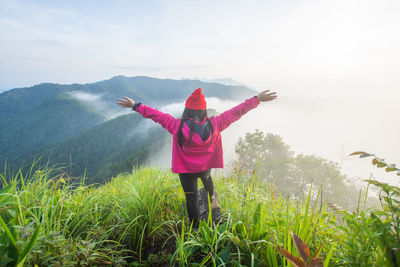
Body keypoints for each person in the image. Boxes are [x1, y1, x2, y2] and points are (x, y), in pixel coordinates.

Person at [117, 88, 277, 227]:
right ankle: (216, 216)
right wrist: (257, 100)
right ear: (204, 110)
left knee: (191, 198)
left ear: (187, 111)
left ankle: (195, 227)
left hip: (186, 172)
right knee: (210, 188)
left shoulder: (177, 126)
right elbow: (236, 112)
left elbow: (156, 115)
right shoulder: (216, 124)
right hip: (205, 169)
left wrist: (135, 105)